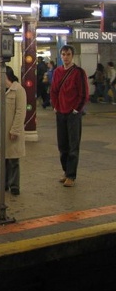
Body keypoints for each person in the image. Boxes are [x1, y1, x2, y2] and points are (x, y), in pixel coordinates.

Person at [50, 45, 89, 188]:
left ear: (73, 56)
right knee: (62, 145)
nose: (65, 57)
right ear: (60, 56)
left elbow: (83, 93)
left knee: (73, 145)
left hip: (73, 114)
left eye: (68, 54)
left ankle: (71, 175)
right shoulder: (57, 72)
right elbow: (53, 90)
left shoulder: (79, 72)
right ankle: (66, 171)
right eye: (63, 54)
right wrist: (55, 106)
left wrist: (76, 109)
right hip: (60, 112)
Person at [0, 66, 26, 196]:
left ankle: (14, 185)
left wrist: (15, 130)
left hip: (10, 128)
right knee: (0, 155)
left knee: (13, 157)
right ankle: (1, 183)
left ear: (6, 76)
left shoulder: (18, 90)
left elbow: (20, 112)